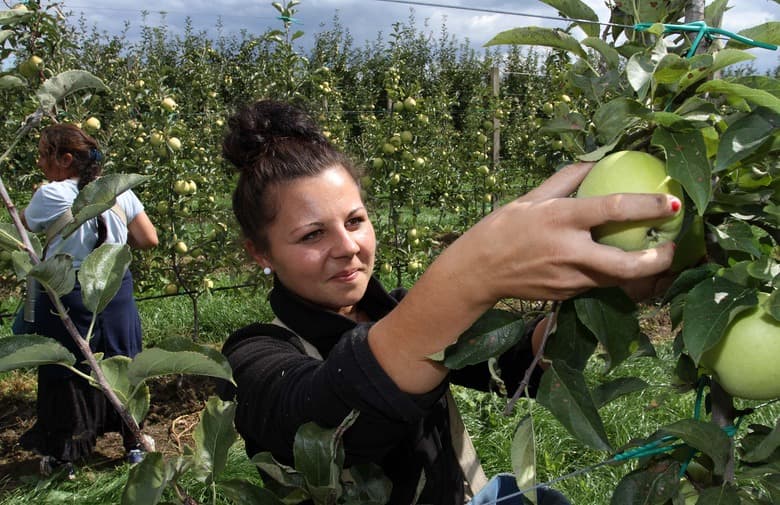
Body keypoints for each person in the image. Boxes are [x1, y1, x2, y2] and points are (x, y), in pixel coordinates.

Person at [219, 100, 679, 504]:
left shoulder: (402, 313)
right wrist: (474, 274)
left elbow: (518, 363)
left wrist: (598, 294)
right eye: (312, 234)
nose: (348, 247)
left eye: (355, 220)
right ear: (260, 252)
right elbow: (325, 418)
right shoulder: (249, 359)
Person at [18, 123, 159, 477]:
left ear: (65, 159)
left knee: (66, 369)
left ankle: (66, 455)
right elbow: (148, 239)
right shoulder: (117, 190)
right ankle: (135, 446)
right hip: (115, 286)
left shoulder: (48, 195)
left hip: (69, 291)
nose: (39, 162)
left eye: (43, 154)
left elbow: (24, 226)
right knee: (123, 362)